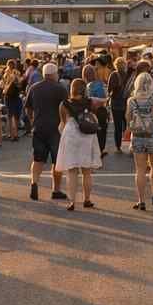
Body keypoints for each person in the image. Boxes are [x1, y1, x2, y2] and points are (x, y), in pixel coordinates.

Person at [24, 62, 69, 202]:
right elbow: (65, 108)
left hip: (39, 127)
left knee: (38, 159)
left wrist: (32, 120)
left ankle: (34, 183)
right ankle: (56, 190)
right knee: (57, 161)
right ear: (54, 74)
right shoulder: (60, 89)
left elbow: (28, 107)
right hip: (56, 128)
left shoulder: (34, 88)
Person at [56, 78, 102, 211]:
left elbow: (63, 123)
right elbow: (98, 110)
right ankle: (87, 199)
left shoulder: (64, 104)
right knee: (87, 171)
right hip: (87, 135)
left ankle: (72, 202)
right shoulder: (90, 102)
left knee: (72, 171)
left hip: (71, 133)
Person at [126, 72, 153, 210]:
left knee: (140, 170)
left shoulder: (131, 101)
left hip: (138, 136)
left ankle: (141, 200)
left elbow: (128, 118)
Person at [84, 64, 109, 158]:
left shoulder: (86, 85)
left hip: (91, 112)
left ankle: (94, 150)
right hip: (101, 110)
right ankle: (100, 150)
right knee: (102, 131)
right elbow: (104, 98)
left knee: (93, 131)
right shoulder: (99, 84)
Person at [107, 62, 128, 154]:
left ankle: (118, 147)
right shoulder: (128, 75)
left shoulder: (113, 75)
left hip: (115, 103)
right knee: (128, 123)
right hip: (127, 102)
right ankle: (130, 142)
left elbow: (109, 89)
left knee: (117, 125)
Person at [2, 63, 25, 141]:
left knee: (11, 115)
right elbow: (19, 86)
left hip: (9, 96)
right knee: (15, 116)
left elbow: (3, 86)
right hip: (14, 96)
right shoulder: (14, 73)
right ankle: (14, 134)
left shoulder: (7, 73)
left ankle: (12, 134)